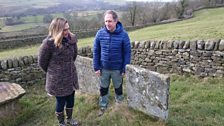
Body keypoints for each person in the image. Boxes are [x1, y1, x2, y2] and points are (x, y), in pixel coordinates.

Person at [38, 17, 79, 126]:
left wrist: (67, 67)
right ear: (57, 30)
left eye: (68, 29)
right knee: (61, 101)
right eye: (64, 30)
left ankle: (70, 118)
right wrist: (54, 72)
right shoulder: (48, 44)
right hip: (57, 80)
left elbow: (73, 56)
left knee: (71, 99)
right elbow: (42, 63)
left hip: (70, 76)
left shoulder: (72, 39)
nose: (67, 32)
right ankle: (61, 122)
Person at [93, 10, 131, 116]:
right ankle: (103, 106)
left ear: (116, 21)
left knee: (118, 87)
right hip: (103, 68)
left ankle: (120, 104)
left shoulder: (124, 35)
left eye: (110, 21)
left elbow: (127, 52)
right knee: (103, 88)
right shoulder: (99, 34)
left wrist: (125, 68)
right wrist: (96, 67)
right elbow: (96, 51)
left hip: (117, 69)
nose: (107, 24)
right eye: (106, 21)